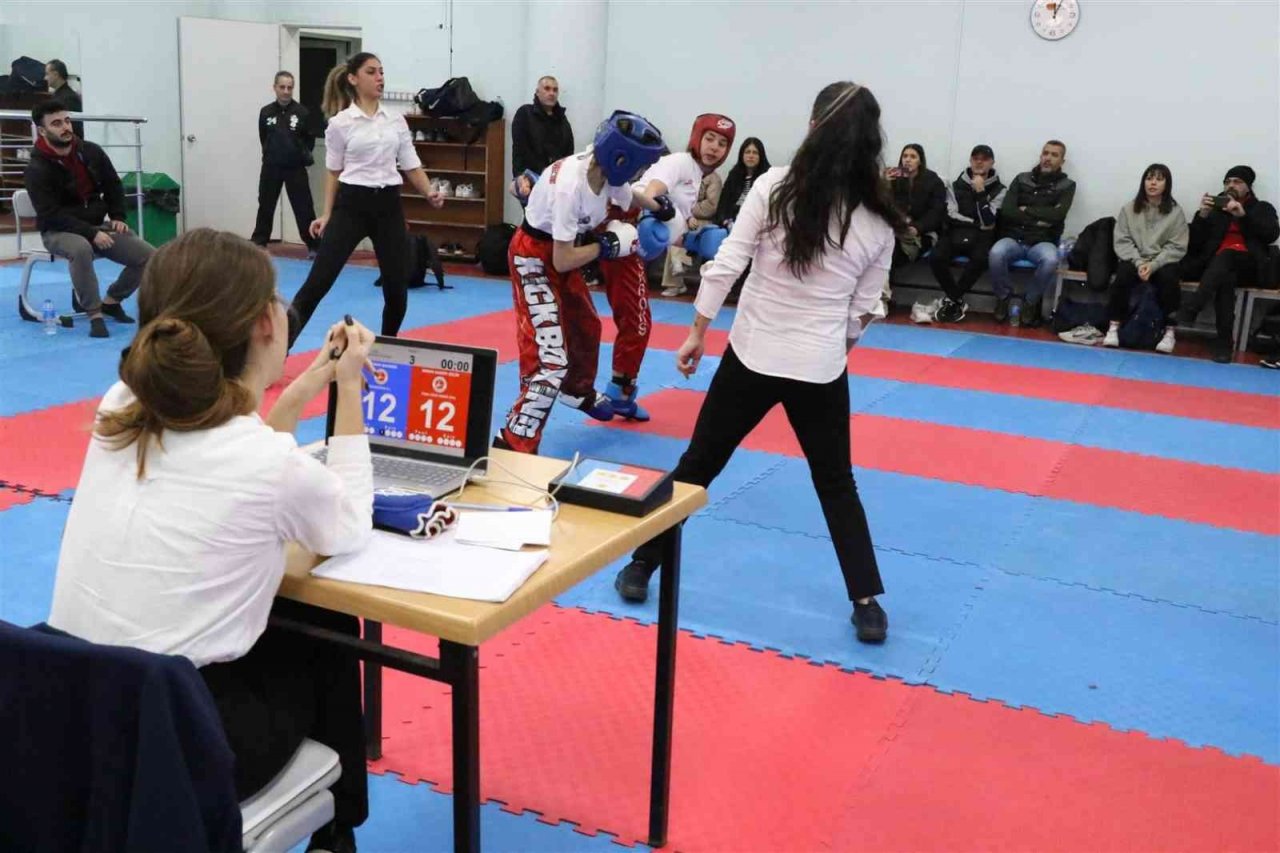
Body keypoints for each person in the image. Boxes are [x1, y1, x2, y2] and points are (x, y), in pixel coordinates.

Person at [46, 228, 376, 853]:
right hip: (181, 738)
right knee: (324, 620)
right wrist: (352, 386)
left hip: (75, 707)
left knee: (277, 589)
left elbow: (241, 437)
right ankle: (340, 827)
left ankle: (337, 830)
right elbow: (348, 526)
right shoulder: (266, 465)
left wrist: (309, 384)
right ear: (262, 324)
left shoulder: (122, 405)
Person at [613, 82, 901, 644]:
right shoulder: (878, 217)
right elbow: (865, 309)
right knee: (836, 482)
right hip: (818, 366)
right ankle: (867, 601)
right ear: (872, 142)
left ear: (814, 126)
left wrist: (698, 330)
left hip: (753, 355)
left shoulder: (773, 186)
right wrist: (835, 350)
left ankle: (642, 564)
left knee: (699, 465)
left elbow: (726, 263)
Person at [496, 111, 667, 455]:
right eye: (641, 166)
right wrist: (607, 246)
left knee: (587, 327)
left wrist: (659, 208)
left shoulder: (605, 169)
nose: (641, 173)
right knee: (549, 361)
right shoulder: (570, 188)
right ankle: (514, 445)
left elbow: (628, 192)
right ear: (622, 159)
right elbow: (562, 260)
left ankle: (577, 391)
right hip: (533, 258)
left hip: (561, 253)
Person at [287, 53, 445, 347]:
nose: (379, 78)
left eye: (382, 72)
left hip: (388, 206)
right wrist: (326, 214)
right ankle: (280, 349)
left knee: (397, 288)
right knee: (317, 283)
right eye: (371, 72)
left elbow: (411, 164)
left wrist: (429, 193)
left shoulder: (396, 121)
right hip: (351, 206)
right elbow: (333, 172)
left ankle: (388, 349)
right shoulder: (340, 123)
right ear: (353, 79)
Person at [598, 113, 736, 420]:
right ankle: (617, 394)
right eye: (710, 138)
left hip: (633, 245)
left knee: (635, 322)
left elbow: (670, 220)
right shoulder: (679, 163)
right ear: (696, 137)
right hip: (626, 240)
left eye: (722, 143)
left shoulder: (697, 175)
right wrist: (649, 214)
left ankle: (619, 392)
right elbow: (650, 191)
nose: (714, 147)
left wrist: (692, 240)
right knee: (637, 323)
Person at [24, 100, 154, 338]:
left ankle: (111, 301)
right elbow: (51, 214)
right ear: (42, 131)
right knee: (81, 248)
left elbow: (113, 184)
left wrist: (117, 215)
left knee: (148, 256)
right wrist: (92, 233)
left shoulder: (90, 151)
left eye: (67, 120)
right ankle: (94, 314)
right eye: (56, 123)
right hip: (57, 230)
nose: (65, 127)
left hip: (96, 225)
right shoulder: (36, 169)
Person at [1178, 166, 1280, 363]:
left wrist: (1243, 216)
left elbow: (1271, 235)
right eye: (1227, 182)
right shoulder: (1216, 210)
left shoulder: (1262, 208)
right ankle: (1224, 345)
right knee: (1226, 277)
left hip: (1251, 265)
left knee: (1228, 256)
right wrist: (1203, 216)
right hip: (1216, 268)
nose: (1230, 185)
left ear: (1248, 187)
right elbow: (1194, 244)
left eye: (1237, 182)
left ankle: (1192, 307)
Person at [988, 140, 1076, 327]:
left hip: (1043, 242)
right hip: (1014, 237)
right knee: (996, 253)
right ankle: (1003, 297)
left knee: (1051, 260)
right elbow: (1009, 211)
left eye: (1054, 155)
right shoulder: (1021, 179)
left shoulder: (1068, 185)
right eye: (1046, 153)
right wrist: (1039, 219)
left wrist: (1026, 208)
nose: (1048, 158)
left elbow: (1058, 214)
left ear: (1062, 161)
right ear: (1040, 155)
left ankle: (1030, 301)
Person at [1102, 164, 1188, 352]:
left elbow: (1177, 246)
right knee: (1123, 274)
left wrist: (1154, 264)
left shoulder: (1176, 212)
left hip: (1162, 261)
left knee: (1169, 278)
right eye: (1149, 178)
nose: (1153, 183)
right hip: (1136, 260)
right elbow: (1122, 241)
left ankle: (1169, 331)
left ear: (1167, 184)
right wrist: (1139, 262)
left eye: (1159, 179)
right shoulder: (1128, 209)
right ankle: (1114, 327)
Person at [929, 144, 1006, 323]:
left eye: (984, 159)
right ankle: (956, 298)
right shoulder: (956, 186)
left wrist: (980, 192)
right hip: (957, 231)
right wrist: (975, 222)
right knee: (936, 257)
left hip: (983, 237)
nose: (979, 162)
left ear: (992, 163)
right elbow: (950, 215)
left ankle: (952, 299)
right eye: (975, 158)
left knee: (981, 260)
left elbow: (989, 221)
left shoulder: (1000, 190)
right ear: (970, 161)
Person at [251, 71, 320, 257]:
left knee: (303, 206)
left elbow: (309, 140)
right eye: (282, 87)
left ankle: (314, 245)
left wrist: (299, 155)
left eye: (290, 87)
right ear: (275, 88)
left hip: (295, 168)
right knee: (265, 204)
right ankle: (259, 242)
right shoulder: (266, 112)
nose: (286, 91)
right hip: (271, 166)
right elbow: (263, 137)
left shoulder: (302, 112)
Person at [710, 137, 771, 304]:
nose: (750, 156)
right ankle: (721, 289)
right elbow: (723, 204)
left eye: (754, 153)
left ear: (761, 156)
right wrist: (725, 221)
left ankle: (742, 290)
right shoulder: (734, 174)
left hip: (755, 224)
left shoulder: (767, 177)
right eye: (747, 152)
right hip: (731, 222)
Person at [659, 169, 723, 297]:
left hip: (703, 219)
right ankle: (676, 273)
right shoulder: (684, 175)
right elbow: (674, 198)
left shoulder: (714, 179)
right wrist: (686, 215)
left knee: (689, 229)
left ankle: (679, 263)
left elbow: (711, 206)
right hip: (682, 216)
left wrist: (689, 212)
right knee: (674, 229)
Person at [510, 75, 574, 199]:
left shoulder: (562, 120)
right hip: (528, 176)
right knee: (533, 214)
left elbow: (568, 151)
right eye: (547, 88)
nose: (551, 93)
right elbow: (521, 148)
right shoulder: (524, 114)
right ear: (537, 92)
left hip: (555, 179)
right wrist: (540, 173)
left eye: (555, 90)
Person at [887, 143, 946, 274]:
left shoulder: (932, 181)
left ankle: (882, 291)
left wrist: (917, 227)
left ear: (920, 161)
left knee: (892, 253)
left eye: (913, 156)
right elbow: (883, 205)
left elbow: (936, 212)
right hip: (895, 230)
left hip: (922, 233)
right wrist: (883, 184)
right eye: (905, 156)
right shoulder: (894, 176)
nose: (907, 160)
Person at [44, 58, 83, 137]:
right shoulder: (61, 95)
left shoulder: (68, 98)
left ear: (55, 74)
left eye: (47, 74)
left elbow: (73, 127)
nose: (45, 78)